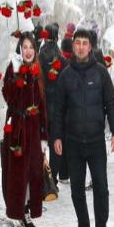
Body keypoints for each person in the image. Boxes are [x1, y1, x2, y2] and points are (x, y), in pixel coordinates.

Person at [53, 28, 114, 227]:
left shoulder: (100, 73)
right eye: (78, 43)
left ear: (90, 47)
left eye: (85, 43)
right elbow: (58, 109)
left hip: (95, 141)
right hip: (73, 142)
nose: (81, 47)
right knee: (76, 190)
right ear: (73, 46)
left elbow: (110, 103)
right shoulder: (65, 75)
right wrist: (57, 136)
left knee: (101, 188)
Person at [0, 32, 48, 227]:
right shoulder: (13, 67)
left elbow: (43, 104)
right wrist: (16, 73)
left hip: (34, 130)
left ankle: (28, 207)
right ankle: (20, 211)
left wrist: (44, 135)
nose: (28, 51)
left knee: (33, 171)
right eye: (25, 47)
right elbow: (8, 96)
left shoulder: (37, 71)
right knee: (18, 172)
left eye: (31, 47)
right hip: (18, 130)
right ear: (20, 49)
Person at [39, 23, 69, 186]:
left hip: (42, 105)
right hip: (58, 107)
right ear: (57, 37)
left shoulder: (39, 56)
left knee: (41, 143)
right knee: (56, 142)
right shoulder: (61, 58)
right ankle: (53, 179)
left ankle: (43, 178)